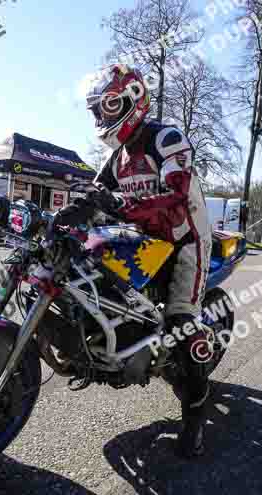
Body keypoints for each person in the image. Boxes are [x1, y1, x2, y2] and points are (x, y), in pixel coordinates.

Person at [75, 64, 213, 458]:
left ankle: (194, 419)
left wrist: (117, 202)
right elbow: (96, 191)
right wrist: (72, 210)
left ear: (134, 100)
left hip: (186, 238)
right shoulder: (117, 157)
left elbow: (175, 198)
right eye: (97, 109)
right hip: (146, 239)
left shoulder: (167, 138)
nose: (101, 117)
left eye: (109, 105)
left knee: (181, 323)